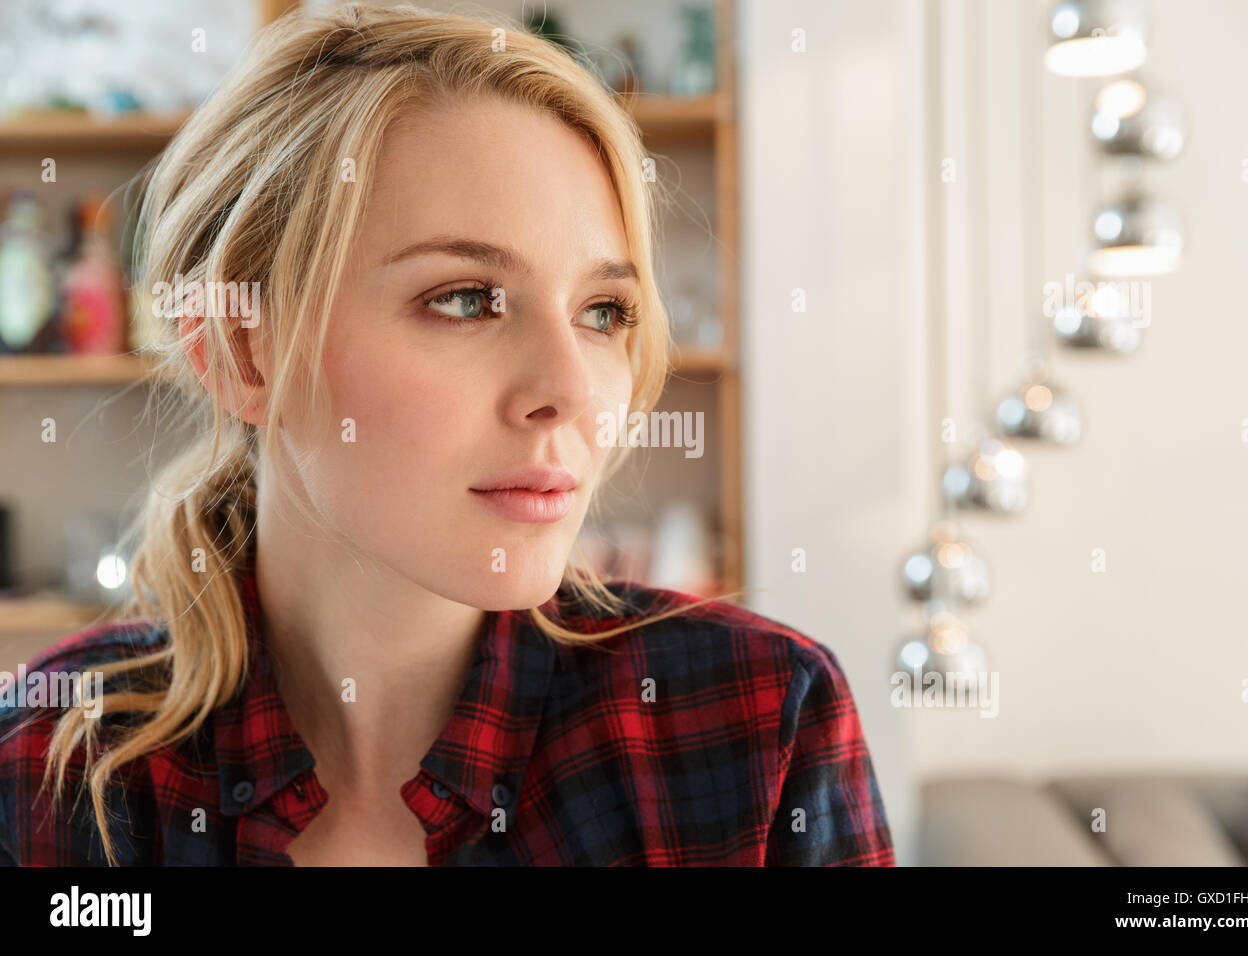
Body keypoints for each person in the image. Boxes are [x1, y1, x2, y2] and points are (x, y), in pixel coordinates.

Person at [0, 3, 894, 867]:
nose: (572, 391)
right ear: (242, 348)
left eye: (604, 311)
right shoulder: (45, 773)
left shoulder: (757, 725)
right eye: (464, 299)